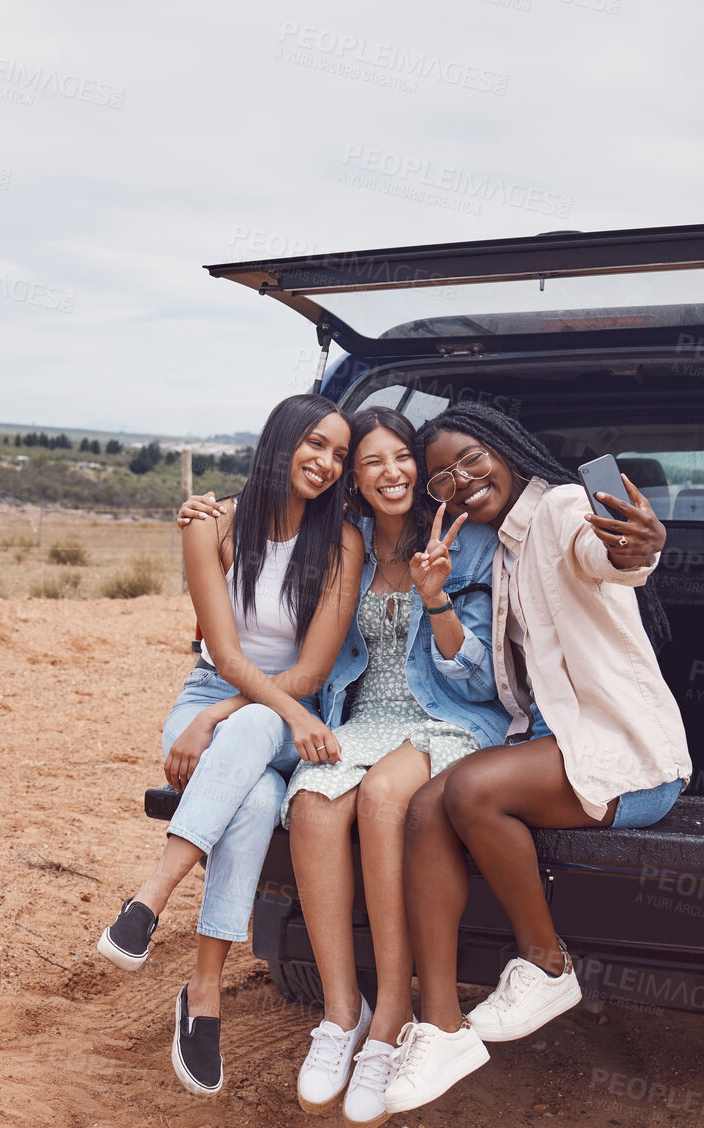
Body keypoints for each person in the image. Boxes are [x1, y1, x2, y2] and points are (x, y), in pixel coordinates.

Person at [176, 407, 509, 1124]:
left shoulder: (467, 542)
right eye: (370, 462)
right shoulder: (343, 542)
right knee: (314, 802)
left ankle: (391, 1018)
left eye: (401, 458)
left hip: (448, 719)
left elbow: (481, 682)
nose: (390, 472)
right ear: (352, 482)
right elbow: (266, 540)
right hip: (361, 722)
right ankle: (340, 1014)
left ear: (419, 468)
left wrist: (436, 598)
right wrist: (210, 510)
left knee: (385, 797)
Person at [382, 402, 691, 1115]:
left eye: (468, 459)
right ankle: (440, 1025)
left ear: (502, 447)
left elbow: (606, 554)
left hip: (629, 766)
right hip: (552, 752)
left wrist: (636, 546)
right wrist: (434, 602)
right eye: (439, 481)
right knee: (429, 803)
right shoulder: (499, 551)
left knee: (467, 793)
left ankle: (546, 966)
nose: (456, 483)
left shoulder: (556, 510)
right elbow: (490, 680)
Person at [97, 394, 362, 1097]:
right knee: (252, 803)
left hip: (284, 708)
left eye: (339, 454)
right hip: (211, 697)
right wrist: (209, 713)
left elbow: (307, 673)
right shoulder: (211, 525)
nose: (327, 463)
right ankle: (204, 991)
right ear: (279, 440)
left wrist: (239, 716)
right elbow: (219, 647)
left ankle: (150, 898)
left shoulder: (341, 543)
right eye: (315, 443)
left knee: (249, 727)